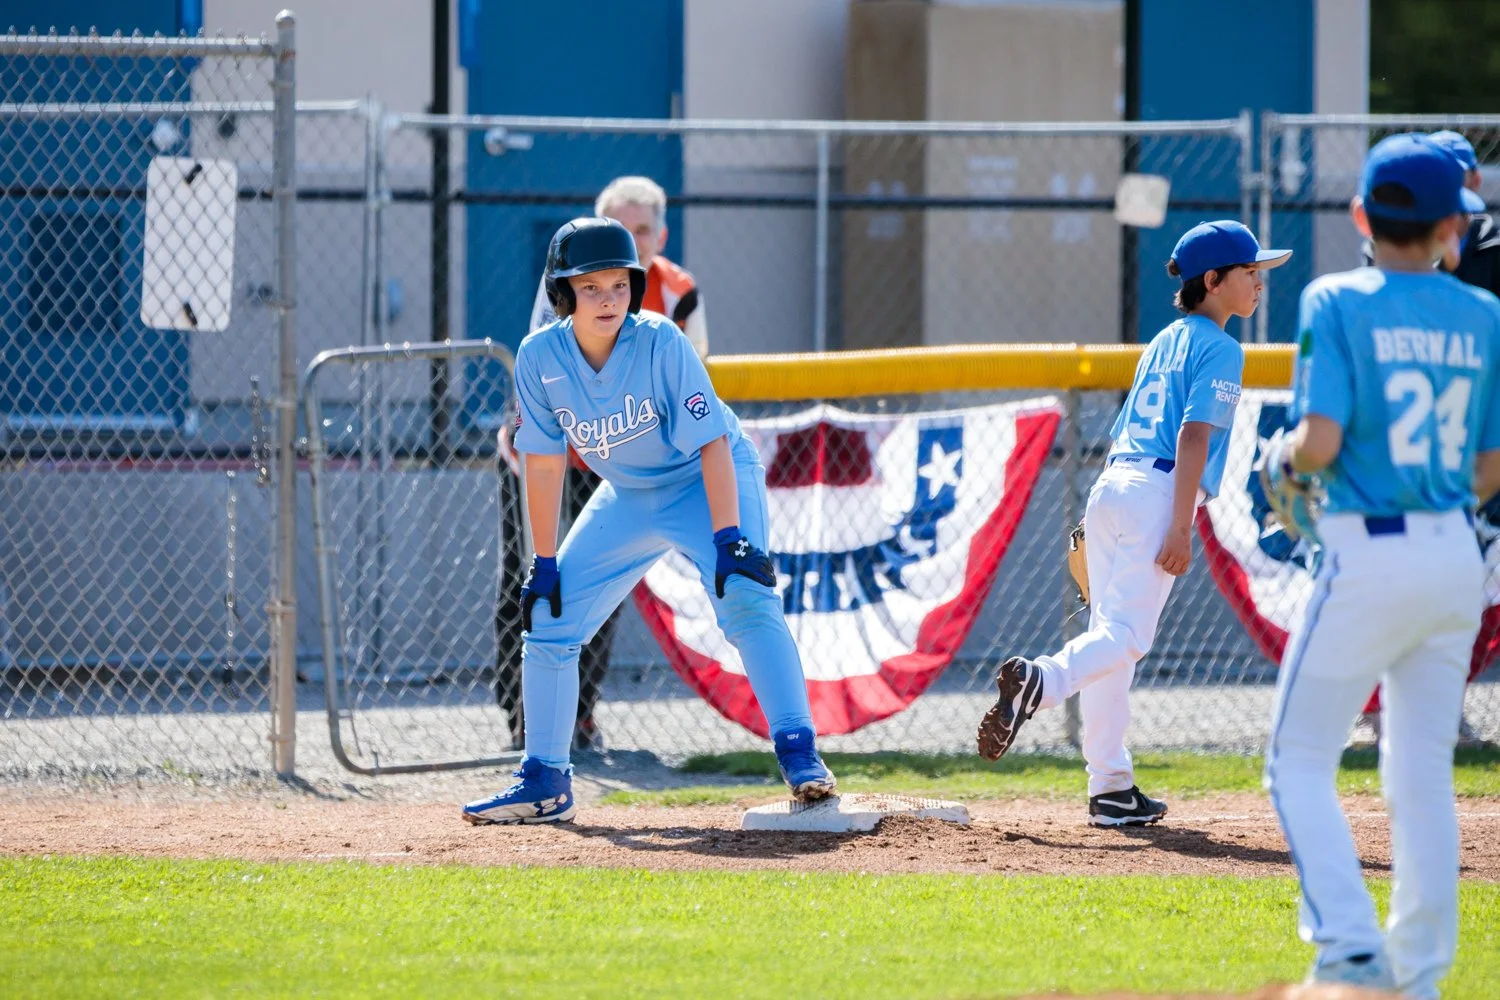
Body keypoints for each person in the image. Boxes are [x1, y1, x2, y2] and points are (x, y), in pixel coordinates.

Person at [465, 218, 835, 824]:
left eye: (618, 284)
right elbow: (543, 461)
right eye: (590, 288)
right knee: (549, 616)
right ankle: (544, 780)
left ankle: (801, 758)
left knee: (746, 598)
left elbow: (713, 442)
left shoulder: (661, 340)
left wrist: (728, 539)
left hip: (705, 477)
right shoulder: (539, 357)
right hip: (631, 492)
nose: (608, 298)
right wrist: (545, 558)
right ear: (563, 297)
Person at [1260, 133, 1500, 995]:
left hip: (1370, 549)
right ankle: (1422, 975)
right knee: (1422, 771)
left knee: (1296, 759)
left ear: (1361, 214)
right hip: (1453, 552)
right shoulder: (1484, 314)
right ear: (1450, 227)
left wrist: (1286, 461)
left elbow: (1319, 442)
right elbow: (1488, 468)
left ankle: (1350, 949)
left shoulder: (1335, 298)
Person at [974, 220, 1290, 827]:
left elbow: (1128, 433)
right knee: (1127, 638)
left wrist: (1112, 516)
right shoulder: (1222, 346)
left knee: (1111, 646)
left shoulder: (1164, 339)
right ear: (1213, 280)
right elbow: (1194, 434)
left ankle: (1111, 788)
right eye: (1250, 272)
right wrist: (1179, 524)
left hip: (1114, 483)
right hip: (1159, 491)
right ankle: (1040, 681)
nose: (1259, 282)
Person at [495, 175, 711, 751]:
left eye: (643, 229)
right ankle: (522, 710)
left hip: (624, 456)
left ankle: (579, 715)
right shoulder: (571, 277)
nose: (633, 240)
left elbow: (697, 382)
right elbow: (541, 361)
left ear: (660, 235)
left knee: (598, 586)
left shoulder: (677, 293)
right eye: (621, 227)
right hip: (552, 444)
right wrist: (522, 434)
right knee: (530, 573)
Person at [1355, 129, 1499, 743]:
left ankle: (1403, 706)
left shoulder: (1358, 284)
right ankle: (1415, 705)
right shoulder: (1479, 266)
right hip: (1456, 457)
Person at [530, 175, 708, 358]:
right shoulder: (562, 276)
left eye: (642, 231)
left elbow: (692, 363)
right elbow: (545, 355)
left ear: (661, 238)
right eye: (620, 232)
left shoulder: (681, 290)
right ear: (596, 234)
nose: (630, 243)